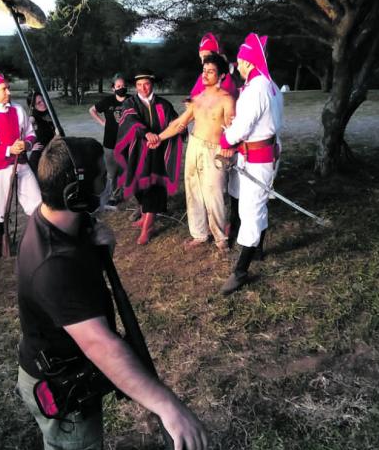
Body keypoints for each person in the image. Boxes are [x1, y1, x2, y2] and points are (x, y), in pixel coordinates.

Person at [15, 137, 208, 450]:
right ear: (76, 195)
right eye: (103, 179)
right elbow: (101, 346)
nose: (111, 185)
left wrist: (95, 245)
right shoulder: (54, 266)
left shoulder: (54, 217)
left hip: (60, 365)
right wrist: (168, 406)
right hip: (61, 387)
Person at [218, 33, 284, 296]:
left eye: (240, 62)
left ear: (248, 62)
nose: (238, 67)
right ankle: (257, 249)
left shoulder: (255, 90)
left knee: (250, 211)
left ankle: (241, 271)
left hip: (258, 158)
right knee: (257, 205)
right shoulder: (271, 86)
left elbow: (240, 129)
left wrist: (226, 136)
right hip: (264, 154)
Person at [157, 53, 235, 250]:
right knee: (193, 191)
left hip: (214, 150)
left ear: (222, 76)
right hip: (194, 146)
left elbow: (233, 130)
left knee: (214, 193)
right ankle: (199, 234)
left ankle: (220, 238)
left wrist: (229, 148)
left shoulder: (227, 100)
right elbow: (180, 123)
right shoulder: (197, 100)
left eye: (211, 71)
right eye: (204, 71)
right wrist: (159, 137)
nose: (206, 75)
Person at [0, 68, 43, 258]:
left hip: (21, 164)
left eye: (8, 88)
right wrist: (7, 150)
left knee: (36, 201)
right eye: (4, 89)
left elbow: (31, 133)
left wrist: (26, 144)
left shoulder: (18, 110)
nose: (8, 92)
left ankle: (40, 237)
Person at [114, 70, 183, 245]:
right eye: (139, 85)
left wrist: (179, 129)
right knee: (138, 185)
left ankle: (148, 226)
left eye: (146, 84)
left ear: (152, 84)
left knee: (153, 186)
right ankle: (145, 214)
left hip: (158, 152)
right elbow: (131, 121)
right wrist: (146, 133)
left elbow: (174, 123)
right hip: (136, 152)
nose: (143, 88)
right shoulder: (130, 103)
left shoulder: (164, 105)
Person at [87, 75, 129, 209]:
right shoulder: (107, 101)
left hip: (127, 142)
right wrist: (102, 122)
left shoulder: (132, 101)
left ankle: (124, 192)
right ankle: (114, 196)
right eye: (118, 86)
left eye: (123, 86)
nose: (121, 88)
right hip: (110, 143)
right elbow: (92, 110)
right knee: (112, 173)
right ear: (113, 88)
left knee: (126, 170)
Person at [189, 33, 238, 99]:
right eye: (201, 58)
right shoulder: (203, 77)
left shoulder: (236, 72)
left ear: (218, 55)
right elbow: (192, 97)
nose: (202, 62)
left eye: (206, 57)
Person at [27, 90, 56, 178]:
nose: (43, 103)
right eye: (39, 103)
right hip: (39, 156)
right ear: (33, 106)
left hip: (52, 152)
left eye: (43, 100)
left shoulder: (49, 114)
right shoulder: (33, 118)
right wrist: (30, 146)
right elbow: (22, 130)